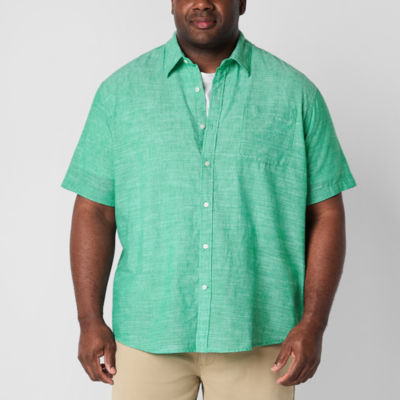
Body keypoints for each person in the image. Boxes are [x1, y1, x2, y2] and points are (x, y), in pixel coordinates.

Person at [60, 1, 357, 399]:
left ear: (242, 2)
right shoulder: (120, 94)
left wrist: (313, 324)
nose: (202, 2)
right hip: (149, 331)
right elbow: (94, 210)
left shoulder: (295, 94)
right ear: (171, 2)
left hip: (259, 333)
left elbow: (326, 214)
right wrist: (89, 319)